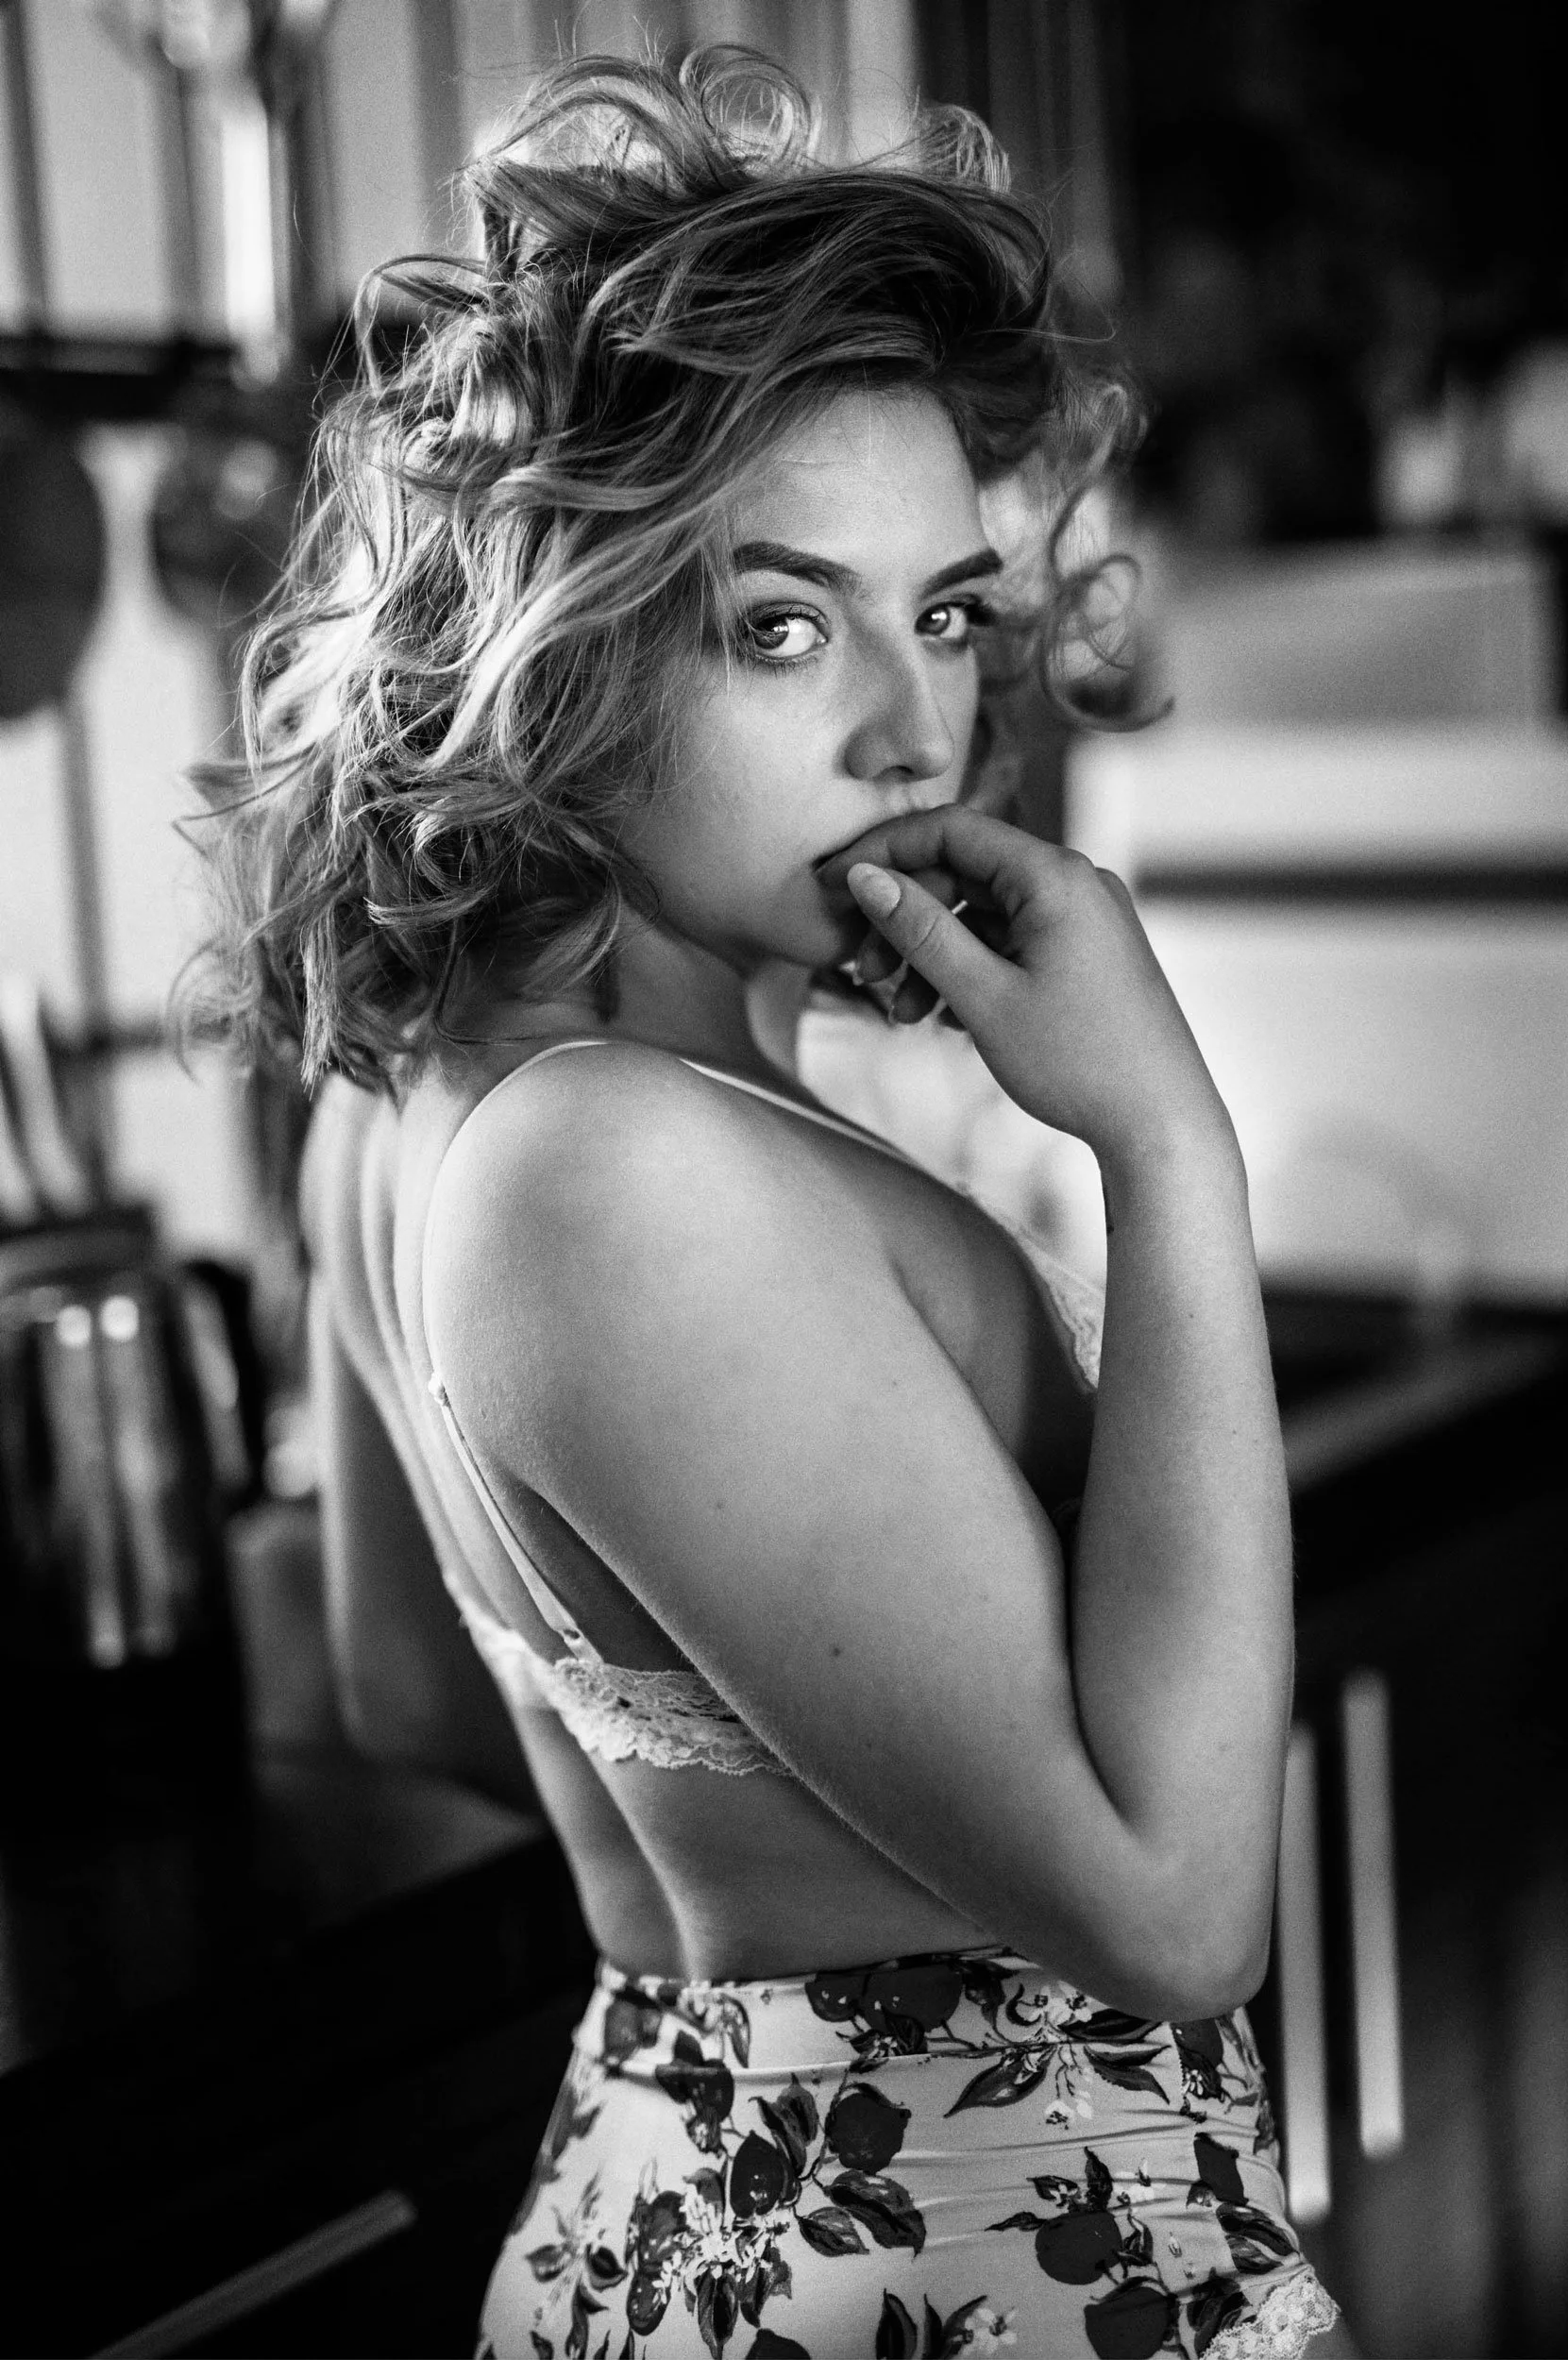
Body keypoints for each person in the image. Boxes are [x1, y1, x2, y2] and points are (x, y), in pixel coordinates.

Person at [191, 47, 1349, 2360]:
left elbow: (407, 1688)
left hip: (694, 2186)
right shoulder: (620, 1167)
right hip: (957, 2260)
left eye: (942, 617)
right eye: (782, 624)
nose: (918, 737)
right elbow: (1175, 1898)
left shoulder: (405, 1112)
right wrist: (1165, 1146)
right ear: (569, 638)